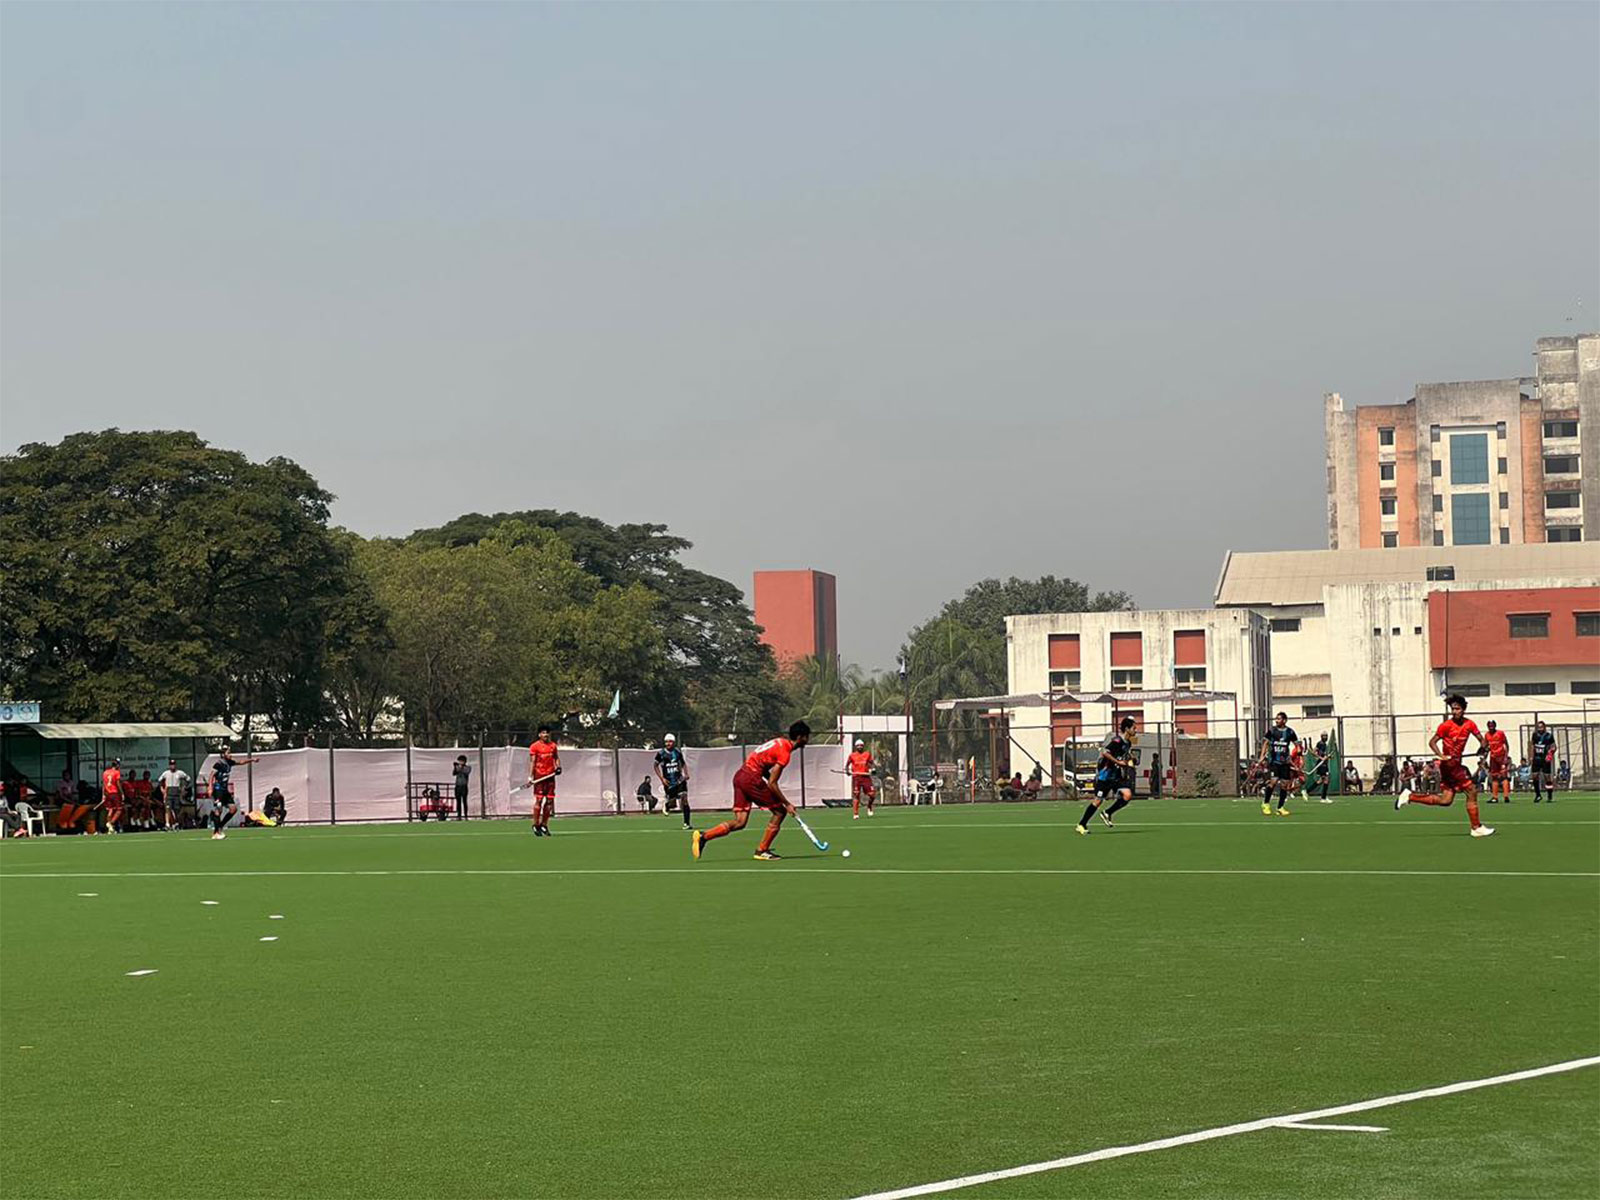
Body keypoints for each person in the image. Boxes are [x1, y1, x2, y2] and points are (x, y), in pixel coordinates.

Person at [692, 721, 811, 861]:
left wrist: (769, 783)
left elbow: (766, 770)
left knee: (740, 822)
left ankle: (703, 837)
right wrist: (787, 803)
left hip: (740, 776)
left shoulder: (779, 741)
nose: (807, 741)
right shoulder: (785, 753)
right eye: (806, 737)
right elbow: (772, 783)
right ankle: (762, 850)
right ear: (799, 737)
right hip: (751, 778)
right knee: (780, 812)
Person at [1395, 693, 1492, 837]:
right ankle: (1476, 827)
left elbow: (1481, 739)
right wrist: (1441, 756)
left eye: (1457, 709)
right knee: (1471, 790)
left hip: (1455, 764)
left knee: (1446, 800)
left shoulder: (1469, 724)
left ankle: (1410, 797)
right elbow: (1432, 742)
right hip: (1449, 765)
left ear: (1463, 709)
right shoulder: (1446, 726)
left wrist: (1483, 748)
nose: (1454, 712)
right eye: (1452, 709)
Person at [1076, 716, 1137, 835]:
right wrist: (1118, 762)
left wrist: (1130, 759)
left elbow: (1124, 754)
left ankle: (1108, 813)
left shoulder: (1128, 743)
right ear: (1127, 729)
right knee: (1098, 801)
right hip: (1105, 775)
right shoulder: (1117, 741)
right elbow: (1105, 752)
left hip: (1116, 776)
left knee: (1127, 795)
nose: (1136, 730)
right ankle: (1081, 824)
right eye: (1134, 728)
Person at [208, 747, 259, 841]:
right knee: (218, 810)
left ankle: (220, 827)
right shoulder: (218, 764)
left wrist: (252, 760)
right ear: (223, 754)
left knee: (233, 809)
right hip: (218, 790)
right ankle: (216, 833)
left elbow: (241, 762)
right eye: (228, 753)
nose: (230, 754)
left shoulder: (229, 762)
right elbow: (211, 775)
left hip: (225, 790)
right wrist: (210, 787)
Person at [1258, 712, 1299, 817]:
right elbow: (1266, 743)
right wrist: (1262, 756)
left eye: (1279, 719)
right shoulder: (1272, 730)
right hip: (1274, 761)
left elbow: (1297, 745)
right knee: (1273, 781)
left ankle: (1280, 807)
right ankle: (1266, 803)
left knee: (1285, 785)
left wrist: (1297, 755)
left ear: (1284, 720)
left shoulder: (1290, 732)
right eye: (1276, 719)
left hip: (1285, 762)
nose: (1276, 720)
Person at [527, 725, 561, 836]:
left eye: (547, 733)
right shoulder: (534, 746)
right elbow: (533, 761)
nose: (545, 735)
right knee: (539, 800)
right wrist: (530, 777)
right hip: (539, 777)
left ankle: (544, 825)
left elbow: (556, 757)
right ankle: (536, 824)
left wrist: (558, 767)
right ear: (539, 735)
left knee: (550, 801)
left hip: (550, 776)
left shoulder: (553, 746)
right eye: (543, 733)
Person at [654, 733, 692, 830]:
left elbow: (683, 764)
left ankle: (686, 823)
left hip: (679, 780)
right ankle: (667, 804)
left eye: (670, 742)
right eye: (666, 742)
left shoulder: (677, 752)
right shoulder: (661, 754)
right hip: (669, 782)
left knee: (684, 798)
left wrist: (686, 774)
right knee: (672, 803)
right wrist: (662, 778)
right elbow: (655, 765)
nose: (668, 743)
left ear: (673, 742)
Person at [1481, 721, 1512, 804]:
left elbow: (1506, 745)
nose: (1491, 727)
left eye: (1492, 726)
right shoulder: (1487, 735)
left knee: (1504, 776)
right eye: (1489, 726)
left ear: (1495, 726)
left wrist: (1506, 757)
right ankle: (1495, 797)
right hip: (1493, 758)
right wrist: (1483, 755)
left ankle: (1506, 796)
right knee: (1494, 777)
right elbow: (1485, 747)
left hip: (1501, 757)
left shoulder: (1500, 733)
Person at [846, 739, 877, 819]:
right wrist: (847, 771)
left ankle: (869, 806)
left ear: (863, 746)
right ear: (856, 747)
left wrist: (873, 769)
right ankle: (856, 814)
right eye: (858, 745)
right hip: (856, 778)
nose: (859, 747)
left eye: (861, 745)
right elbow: (847, 765)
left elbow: (872, 764)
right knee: (856, 795)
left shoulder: (867, 754)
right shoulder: (852, 755)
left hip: (866, 777)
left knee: (872, 794)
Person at [1528, 720, 1557, 803]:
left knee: (1547, 777)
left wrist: (1550, 753)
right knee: (1534, 776)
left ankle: (1550, 795)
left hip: (1545, 759)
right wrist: (1531, 757)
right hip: (1537, 759)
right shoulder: (1535, 735)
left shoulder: (1549, 736)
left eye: (1541, 727)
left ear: (1544, 727)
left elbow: (1554, 746)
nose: (1540, 729)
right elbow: (1532, 746)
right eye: (1538, 727)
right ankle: (1538, 795)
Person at [157, 759, 190, 830]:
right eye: (171, 765)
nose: (172, 766)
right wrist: (162, 789)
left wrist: (183, 787)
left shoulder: (179, 773)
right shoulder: (166, 773)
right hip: (169, 792)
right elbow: (159, 780)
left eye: (174, 764)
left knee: (176, 809)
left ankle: (176, 823)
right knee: (168, 808)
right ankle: (167, 824)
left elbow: (188, 778)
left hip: (176, 792)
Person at [1305, 735, 1332, 803]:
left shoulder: (1325, 745)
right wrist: (1321, 758)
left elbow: (1324, 755)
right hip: (1321, 764)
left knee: (1320, 781)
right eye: (1324, 736)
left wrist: (1328, 757)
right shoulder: (1320, 744)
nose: (1326, 737)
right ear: (1321, 736)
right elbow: (1313, 752)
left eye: (1326, 736)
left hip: (1324, 764)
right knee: (1326, 779)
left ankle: (1307, 791)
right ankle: (1323, 798)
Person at [452, 755, 472, 820]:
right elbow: (454, 773)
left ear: (464, 761)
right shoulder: (457, 767)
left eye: (461, 761)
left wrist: (460, 767)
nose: (460, 762)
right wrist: (455, 767)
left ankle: (466, 815)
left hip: (464, 786)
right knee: (458, 801)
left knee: (464, 801)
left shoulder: (467, 767)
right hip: (458, 786)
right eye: (459, 761)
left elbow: (466, 772)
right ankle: (459, 815)